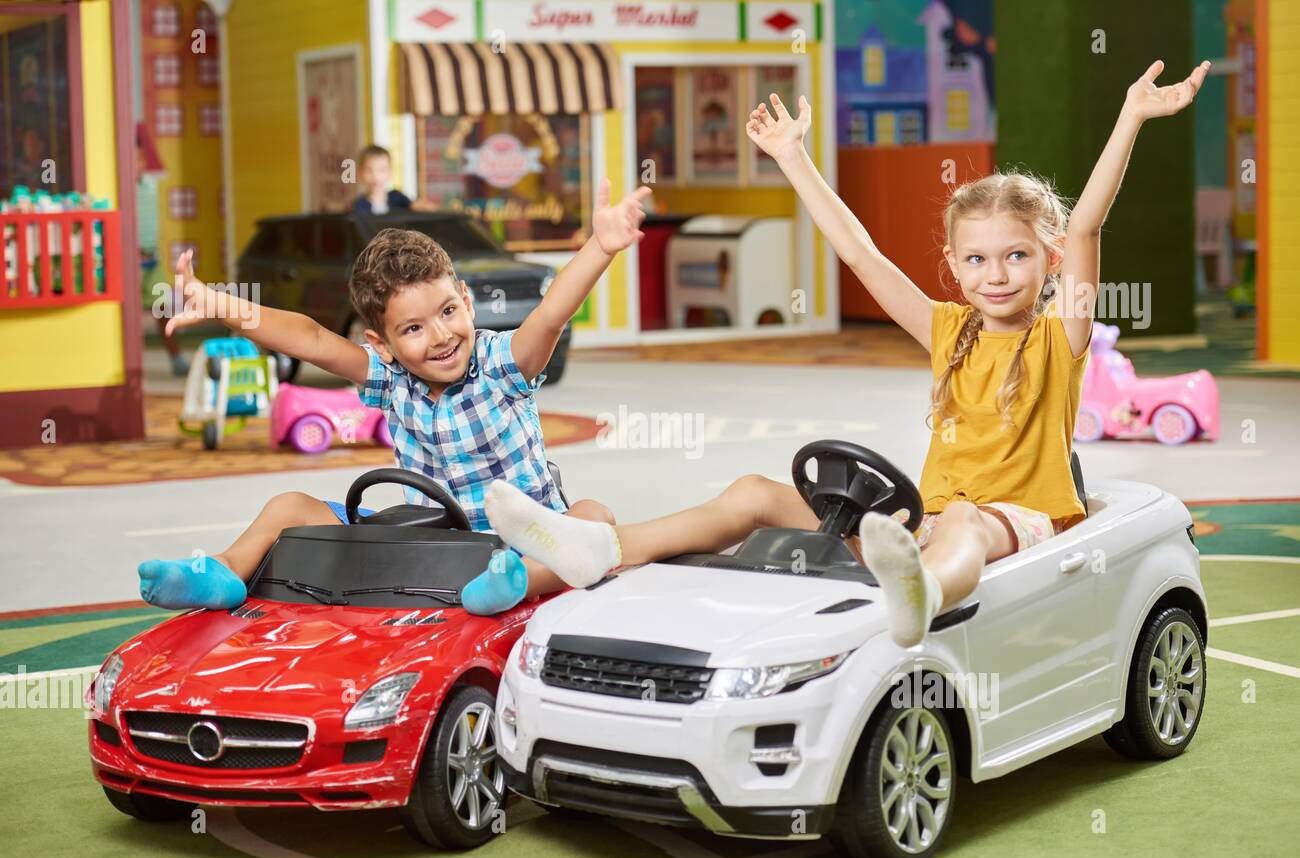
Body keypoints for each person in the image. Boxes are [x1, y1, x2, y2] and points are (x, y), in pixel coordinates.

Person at [479, 59, 1212, 647]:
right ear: (955, 266)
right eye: (978, 259)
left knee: (960, 525)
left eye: (1016, 256)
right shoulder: (947, 330)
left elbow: (1084, 226)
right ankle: (601, 548)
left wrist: (1130, 117)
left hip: (1014, 525)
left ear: (1048, 262)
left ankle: (922, 593)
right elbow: (859, 254)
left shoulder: (1063, 336)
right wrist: (794, 158)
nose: (996, 275)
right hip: (922, 523)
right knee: (753, 492)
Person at [138, 179, 652, 616]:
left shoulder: (502, 364)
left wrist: (599, 248)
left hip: (526, 541)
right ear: (381, 344)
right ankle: (225, 571)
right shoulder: (389, 379)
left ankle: (517, 582)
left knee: (593, 513)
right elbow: (309, 338)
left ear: (467, 300)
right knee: (288, 505)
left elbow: (550, 314)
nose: (440, 336)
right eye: (413, 328)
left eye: (449, 312)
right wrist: (218, 302)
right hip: (430, 550)